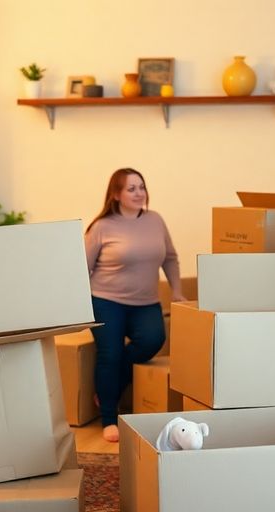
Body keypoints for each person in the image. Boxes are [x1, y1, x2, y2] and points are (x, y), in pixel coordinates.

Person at [84, 168, 185, 443]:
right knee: (111, 353)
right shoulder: (102, 226)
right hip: (106, 300)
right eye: (131, 189)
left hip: (146, 301)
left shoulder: (155, 220)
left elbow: (171, 258)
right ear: (116, 194)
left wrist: (177, 290)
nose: (139, 193)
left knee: (154, 340)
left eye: (141, 187)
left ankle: (109, 387)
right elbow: (82, 268)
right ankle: (108, 417)